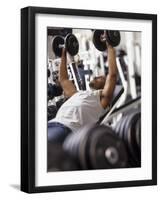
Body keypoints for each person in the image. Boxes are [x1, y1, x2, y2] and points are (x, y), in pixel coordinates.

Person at [48, 45, 118, 143]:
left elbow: (112, 75)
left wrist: (110, 47)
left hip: (66, 129)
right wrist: (63, 53)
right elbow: (63, 80)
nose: (96, 76)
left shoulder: (102, 100)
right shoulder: (78, 94)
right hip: (52, 123)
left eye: (101, 77)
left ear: (105, 85)